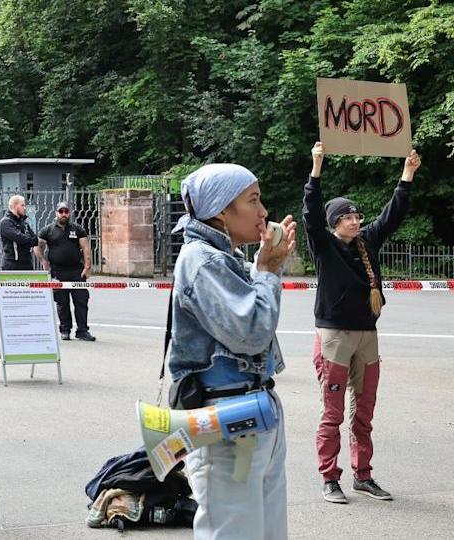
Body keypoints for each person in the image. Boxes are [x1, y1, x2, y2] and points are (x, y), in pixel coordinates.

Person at [167, 164, 297, 540]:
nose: (263, 212)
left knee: (266, 531)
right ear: (222, 210)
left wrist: (262, 267)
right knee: (234, 532)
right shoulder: (203, 260)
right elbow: (252, 334)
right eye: (252, 200)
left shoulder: (226, 258)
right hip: (227, 420)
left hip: (251, 412)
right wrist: (269, 272)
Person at [304, 142, 421, 504]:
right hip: (335, 337)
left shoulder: (367, 241)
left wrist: (407, 174)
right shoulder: (323, 245)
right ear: (334, 223)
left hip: (367, 337)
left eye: (357, 216)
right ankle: (329, 478)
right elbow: (310, 212)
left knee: (364, 413)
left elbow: (393, 214)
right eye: (347, 217)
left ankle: (363, 476)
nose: (356, 221)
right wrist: (317, 167)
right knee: (333, 413)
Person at [35, 202, 95, 341]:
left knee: (81, 301)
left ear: (69, 213)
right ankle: (65, 330)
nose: (63, 214)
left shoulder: (77, 229)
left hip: (77, 272)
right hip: (58, 272)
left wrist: (87, 266)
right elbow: (37, 247)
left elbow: (86, 248)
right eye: (60, 211)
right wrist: (43, 261)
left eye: (66, 211)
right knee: (62, 303)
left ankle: (82, 331)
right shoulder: (48, 230)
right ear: (56, 213)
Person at [0, 195, 37, 270]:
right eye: (22, 205)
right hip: (12, 264)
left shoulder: (24, 223)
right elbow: (20, 238)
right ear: (14, 206)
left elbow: (35, 240)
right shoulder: (6, 222)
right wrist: (28, 239)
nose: (25, 208)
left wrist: (28, 239)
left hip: (27, 264)